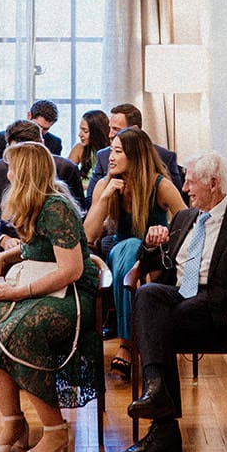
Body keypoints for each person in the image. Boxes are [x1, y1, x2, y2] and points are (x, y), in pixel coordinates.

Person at [116, 151, 227, 452]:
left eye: (190, 182)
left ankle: (164, 425)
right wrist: (150, 244)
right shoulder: (185, 217)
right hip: (179, 295)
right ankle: (158, 392)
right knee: (148, 294)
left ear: (213, 184)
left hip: (215, 305)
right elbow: (161, 265)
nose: (185, 189)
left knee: (158, 324)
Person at [0, 142, 101, 452]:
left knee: (16, 331)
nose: (7, 173)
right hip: (42, 289)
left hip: (71, 295)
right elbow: (35, 248)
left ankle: (55, 429)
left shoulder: (56, 207)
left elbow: (71, 270)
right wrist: (4, 254)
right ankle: (13, 426)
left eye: (11, 167)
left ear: (25, 172)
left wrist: (19, 292)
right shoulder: (34, 203)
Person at [81, 127, 187, 380]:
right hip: (121, 251)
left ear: (135, 155)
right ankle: (135, 342)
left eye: (118, 151)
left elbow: (186, 222)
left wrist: (164, 233)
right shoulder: (105, 185)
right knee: (127, 251)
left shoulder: (160, 185)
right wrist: (105, 198)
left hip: (156, 254)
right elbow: (88, 235)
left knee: (132, 253)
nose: (111, 157)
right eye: (112, 151)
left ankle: (127, 344)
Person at [0, 120, 86, 259]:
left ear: (41, 147)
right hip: (7, 243)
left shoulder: (66, 169)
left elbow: (79, 219)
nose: (19, 166)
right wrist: (3, 240)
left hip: (52, 247)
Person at [87, 103, 185, 190]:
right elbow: (90, 200)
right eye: (110, 128)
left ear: (135, 129)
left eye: (116, 129)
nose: (110, 135)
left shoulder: (165, 157)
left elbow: (179, 204)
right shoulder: (103, 156)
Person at [0, 99, 62, 165]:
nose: (39, 132)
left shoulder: (55, 143)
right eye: (37, 126)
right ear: (29, 116)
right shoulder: (1, 138)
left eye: (45, 129)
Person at [68, 108, 113, 188]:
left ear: (97, 132)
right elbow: (66, 175)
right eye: (80, 129)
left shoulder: (111, 151)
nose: (80, 134)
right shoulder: (79, 148)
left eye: (85, 131)